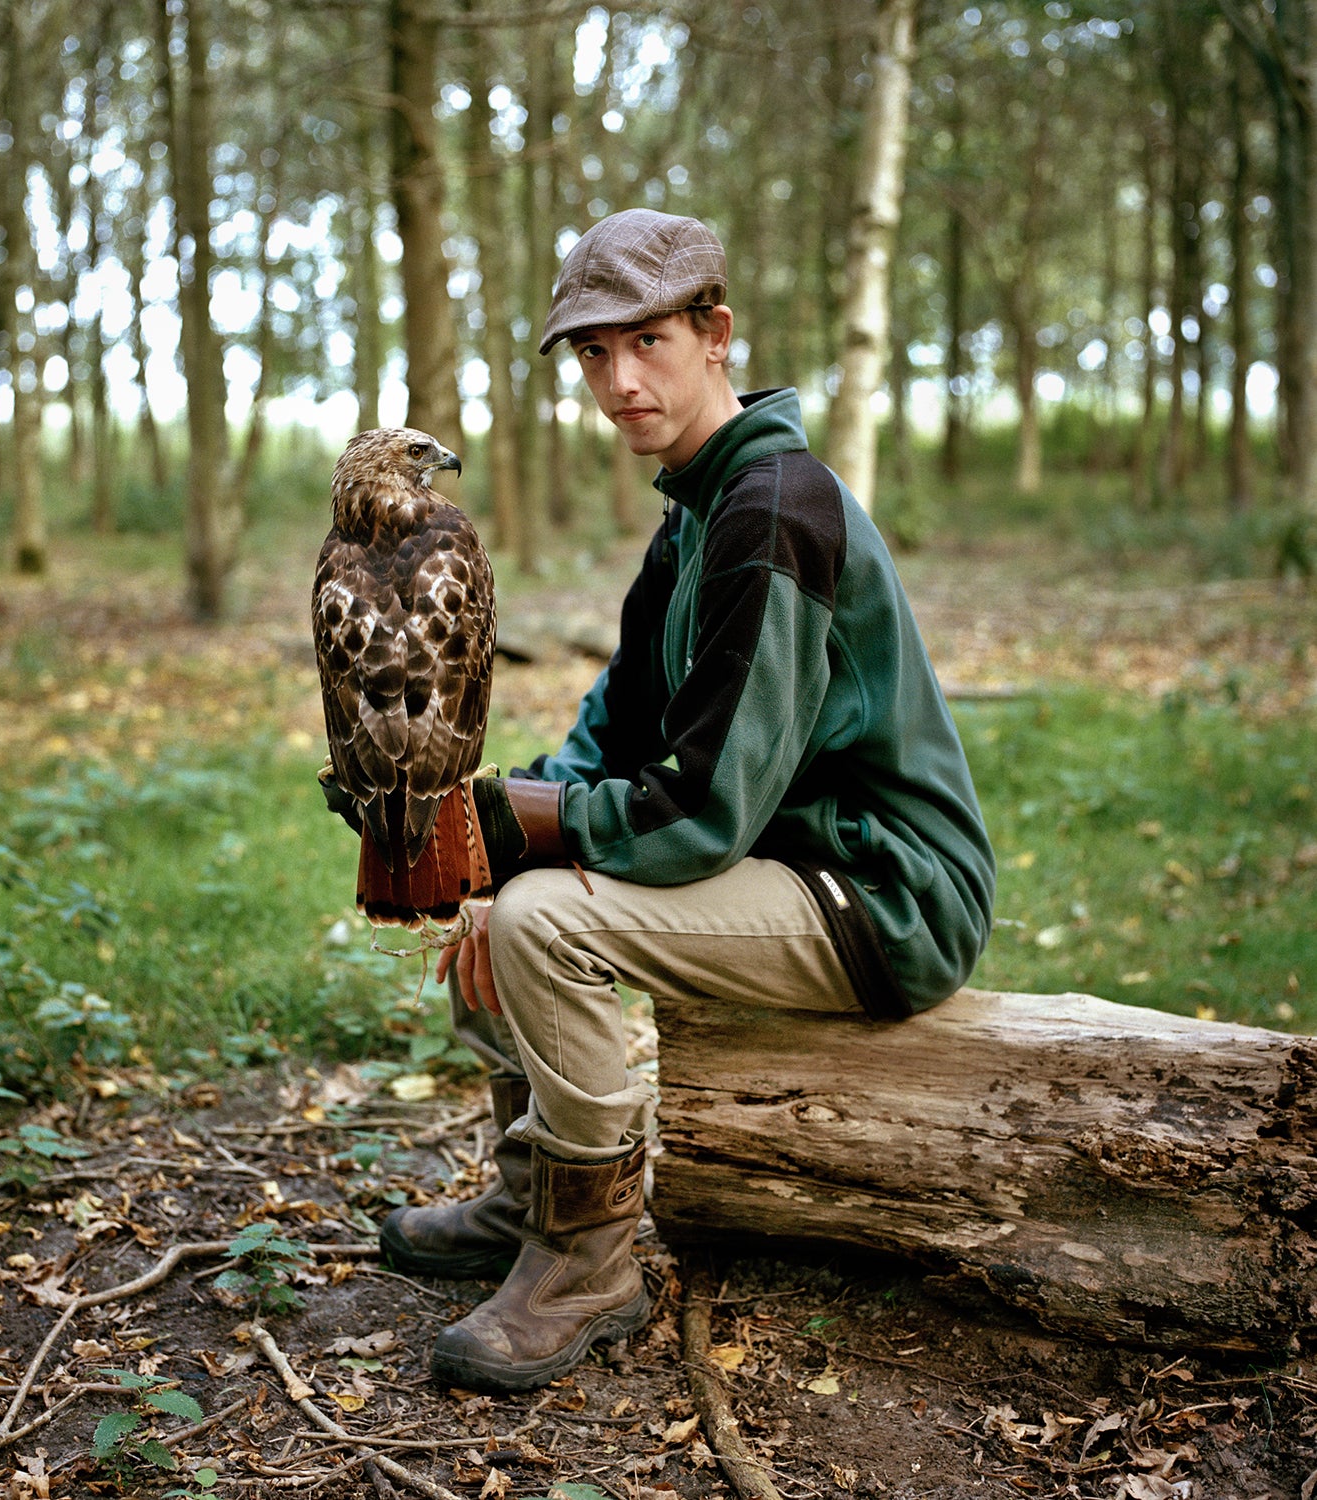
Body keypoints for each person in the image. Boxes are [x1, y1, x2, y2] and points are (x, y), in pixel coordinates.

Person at [336, 208, 996, 1393]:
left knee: (542, 916)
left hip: (884, 893)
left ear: (716, 334)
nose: (619, 380)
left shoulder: (775, 511)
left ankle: (589, 1260)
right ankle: (532, 1191)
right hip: (792, 860)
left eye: (647, 343)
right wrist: (478, 820)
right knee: (503, 881)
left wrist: (514, 839)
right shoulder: (694, 508)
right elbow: (615, 728)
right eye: (593, 354)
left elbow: (701, 812)